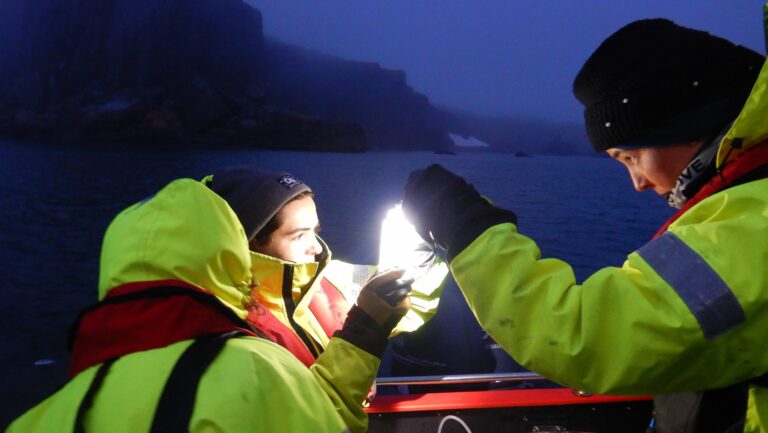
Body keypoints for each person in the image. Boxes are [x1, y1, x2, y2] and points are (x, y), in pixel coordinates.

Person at [401, 19, 768, 433]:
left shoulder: (756, 224)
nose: (638, 182)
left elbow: (590, 339)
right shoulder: (745, 202)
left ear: (687, 126)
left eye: (631, 157)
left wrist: (467, 227)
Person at [5, 178, 348, 432]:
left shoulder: (40, 418)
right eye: (299, 235)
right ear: (231, 250)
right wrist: (362, 337)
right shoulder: (265, 370)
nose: (317, 247)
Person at [205, 166, 447, 433]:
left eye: (315, 231)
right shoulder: (223, 325)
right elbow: (306, 421)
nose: (316, 246)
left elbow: (412, 296)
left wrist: (421, 240)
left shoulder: (328, 279)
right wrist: (365, 330)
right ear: (251, 241)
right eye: (299, 235)